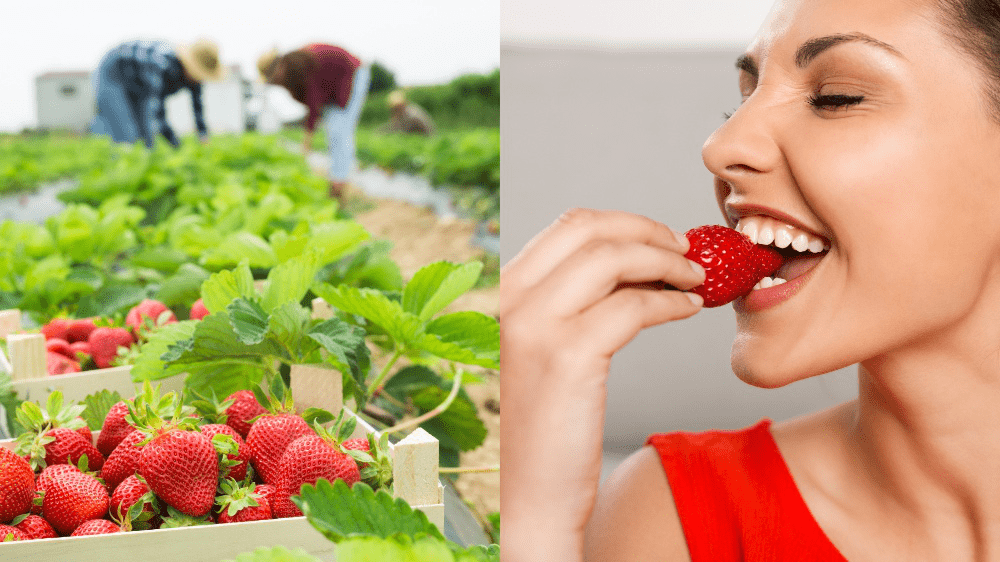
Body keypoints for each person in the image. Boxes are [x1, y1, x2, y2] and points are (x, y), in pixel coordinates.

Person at [500, 0, 1000, 560]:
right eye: (742, 98)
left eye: (836, 98)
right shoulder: (674, 514)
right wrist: (536, 520)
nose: (721, 148)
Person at [258, 44, 371, 199]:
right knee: (334, 131)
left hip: (353, 74)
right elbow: (313, 105)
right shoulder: (292, 74)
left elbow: (313, 103)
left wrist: (307, 141)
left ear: (278, 67)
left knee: (340, 130)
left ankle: (340, 183)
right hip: (334, 87)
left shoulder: (300, 64)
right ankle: (338, 179)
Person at [90, 39, 221, 148]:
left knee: (144, 137)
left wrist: (203, 136)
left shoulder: (194, 79)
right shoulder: (160, 64)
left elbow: (198, 108)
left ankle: (140, 160)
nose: (199, 79)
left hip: (139, 84)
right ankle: (121, 169)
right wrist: (175, 144)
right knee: (127, 133)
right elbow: (155, 112)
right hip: (113, 73)